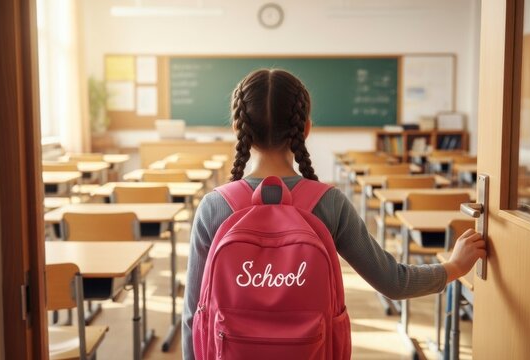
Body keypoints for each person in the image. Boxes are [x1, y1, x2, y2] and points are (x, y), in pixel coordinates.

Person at [181, 69, 485, 359]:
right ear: (306, 128)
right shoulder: (329, 203)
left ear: (238, 128)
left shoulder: (214, 206)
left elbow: (193, 314)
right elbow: (393, 282)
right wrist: (454, 267)